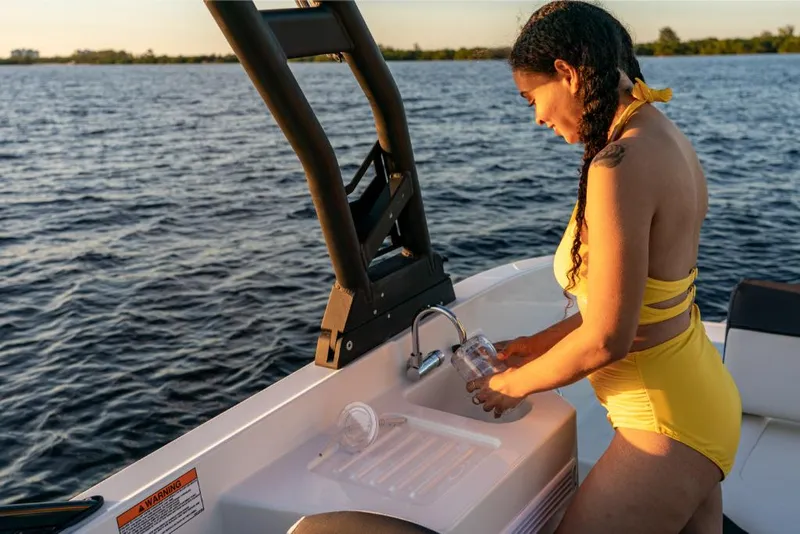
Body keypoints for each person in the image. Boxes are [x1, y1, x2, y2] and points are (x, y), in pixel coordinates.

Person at [466, 2, 742, 533]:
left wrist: (514, 384)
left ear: (567, 73)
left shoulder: (620, 166)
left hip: (665, 423)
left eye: (533, 98)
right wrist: (537, 343)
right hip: (700, 399)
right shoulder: (664, 138)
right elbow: (638, 304)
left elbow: (605, 341)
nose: (538, 118)